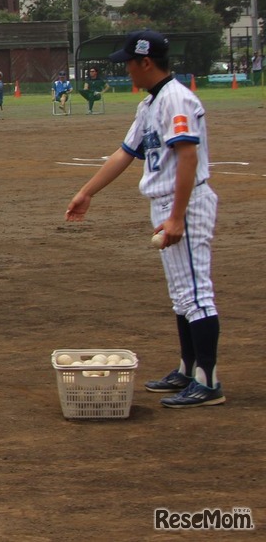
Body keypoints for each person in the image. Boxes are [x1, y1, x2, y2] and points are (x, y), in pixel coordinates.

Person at [66, 30, 225, 408]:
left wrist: (177, 217)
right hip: (167, 204)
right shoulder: (150, 104)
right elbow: (125, 153)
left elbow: (187, 157)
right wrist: (87, 192)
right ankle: (188, 370)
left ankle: (208, 382)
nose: (127, 70)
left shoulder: (176, 99)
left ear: (146, 62)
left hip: (185, 203)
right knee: (181, 296)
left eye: (129, 63)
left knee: (197, 294)